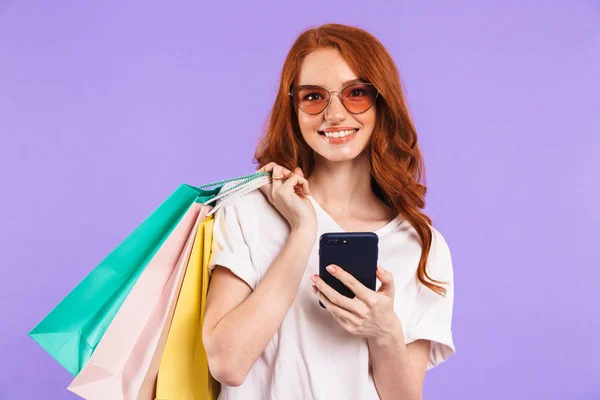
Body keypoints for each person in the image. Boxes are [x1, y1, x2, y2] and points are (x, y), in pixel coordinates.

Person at [202, 23, 455, 400]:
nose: (334, 114)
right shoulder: (249, 209)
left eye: (356, 93)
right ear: (294, 108)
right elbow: (227, 363)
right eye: (314, 96)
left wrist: (383, 330)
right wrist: (303, 230)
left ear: (382, 102)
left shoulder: (420, 245)